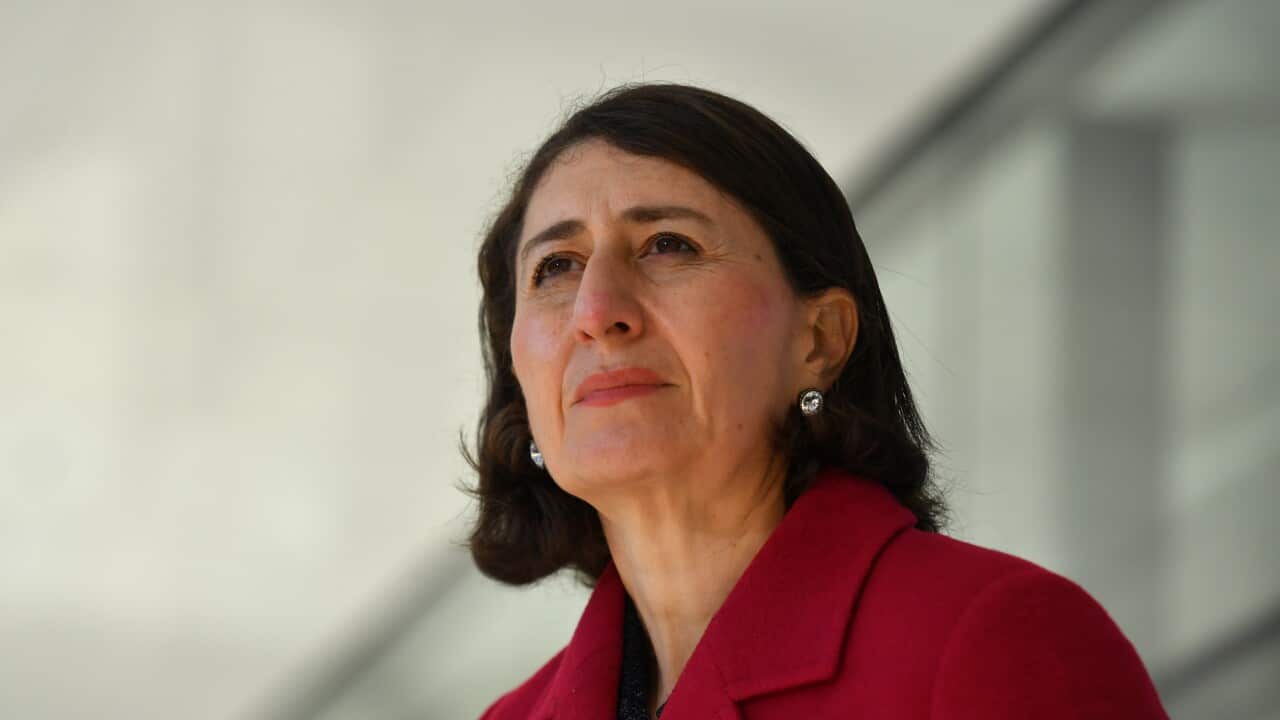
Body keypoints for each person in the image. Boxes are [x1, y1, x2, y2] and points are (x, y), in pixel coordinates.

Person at [466, 83, 1168, 719]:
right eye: (555, 267)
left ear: (821, 340)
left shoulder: (1001, 640)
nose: (596, 310)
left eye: (668, 246)